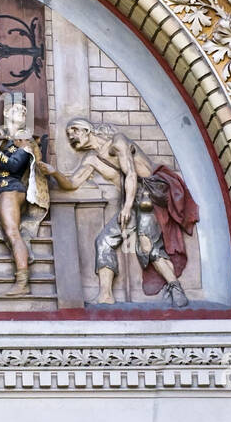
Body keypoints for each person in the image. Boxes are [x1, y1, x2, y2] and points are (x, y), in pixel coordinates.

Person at [37, 118, 198, 307]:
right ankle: (105, 295)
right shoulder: (91, 159)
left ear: (87, 130)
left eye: (74, 130)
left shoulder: (118, 141)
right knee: (103, 241)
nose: (71, 136)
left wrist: (127, 207)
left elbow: (131, 173)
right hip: (130, 202)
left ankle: (175, 286)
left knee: (146, 245)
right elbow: (72, 184)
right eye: (68, 134)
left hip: (148, 196)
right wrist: (54, 173)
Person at [0, 97, 49, 295]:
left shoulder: (26, 141)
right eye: (17, 109)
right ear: (6, 112)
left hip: (11, 191)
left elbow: (14, 165)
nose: (22, 113)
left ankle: (22, 282)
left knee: (12, 233)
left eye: (24, 110)